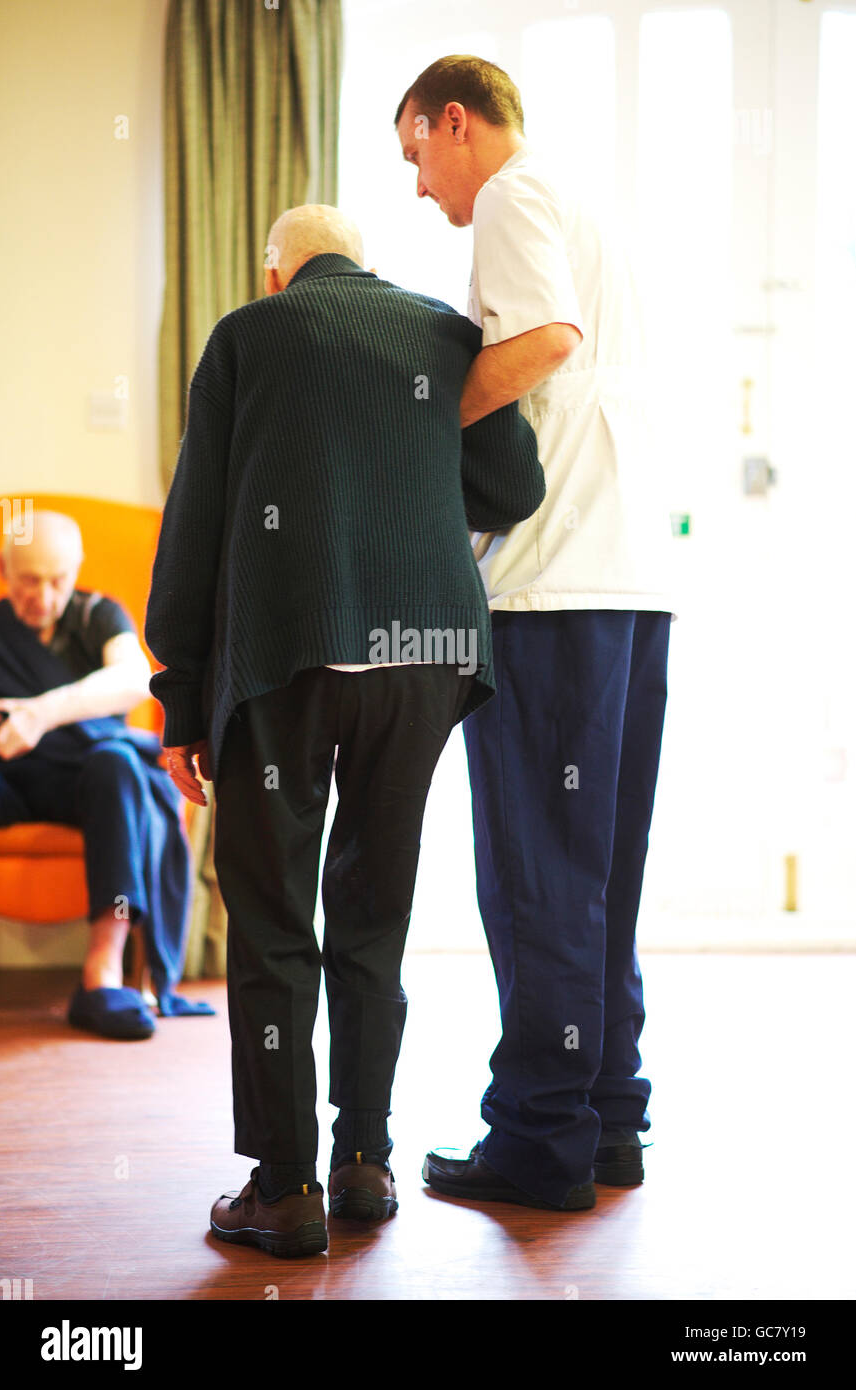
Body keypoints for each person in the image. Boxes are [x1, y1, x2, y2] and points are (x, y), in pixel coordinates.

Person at [144, 203, 545, 1258]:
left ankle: (283, 1192)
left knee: (275, 917)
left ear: (278, 273)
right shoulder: (439, 331)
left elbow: (196, 517)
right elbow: (513, 482)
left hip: (288, 646)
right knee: (372, 910)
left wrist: (179, 690)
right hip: (424, 657)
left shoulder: (249, 333)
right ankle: (363, 1162)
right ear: (364, 267)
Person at [394, 56, 674, 1212]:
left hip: (551, 587)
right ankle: (609, 1117)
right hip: (631, 579)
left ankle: (539, 1138)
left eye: (416, 153)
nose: (420, 188)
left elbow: (544, 341)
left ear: (454, 121)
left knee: (537, 877)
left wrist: (404, 432)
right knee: (600, 870)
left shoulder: (511, 193)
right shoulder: (591, 204)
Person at [0, 509, 213, 1039]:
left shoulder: (98, 616)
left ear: (76, 571)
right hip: (7, 778)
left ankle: (103, 976)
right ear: (3, 569)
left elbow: (133, 681)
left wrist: (37, 713)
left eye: (57, 581)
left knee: (118, 765)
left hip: (85, 780)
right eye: (28, 582)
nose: (43, 598)